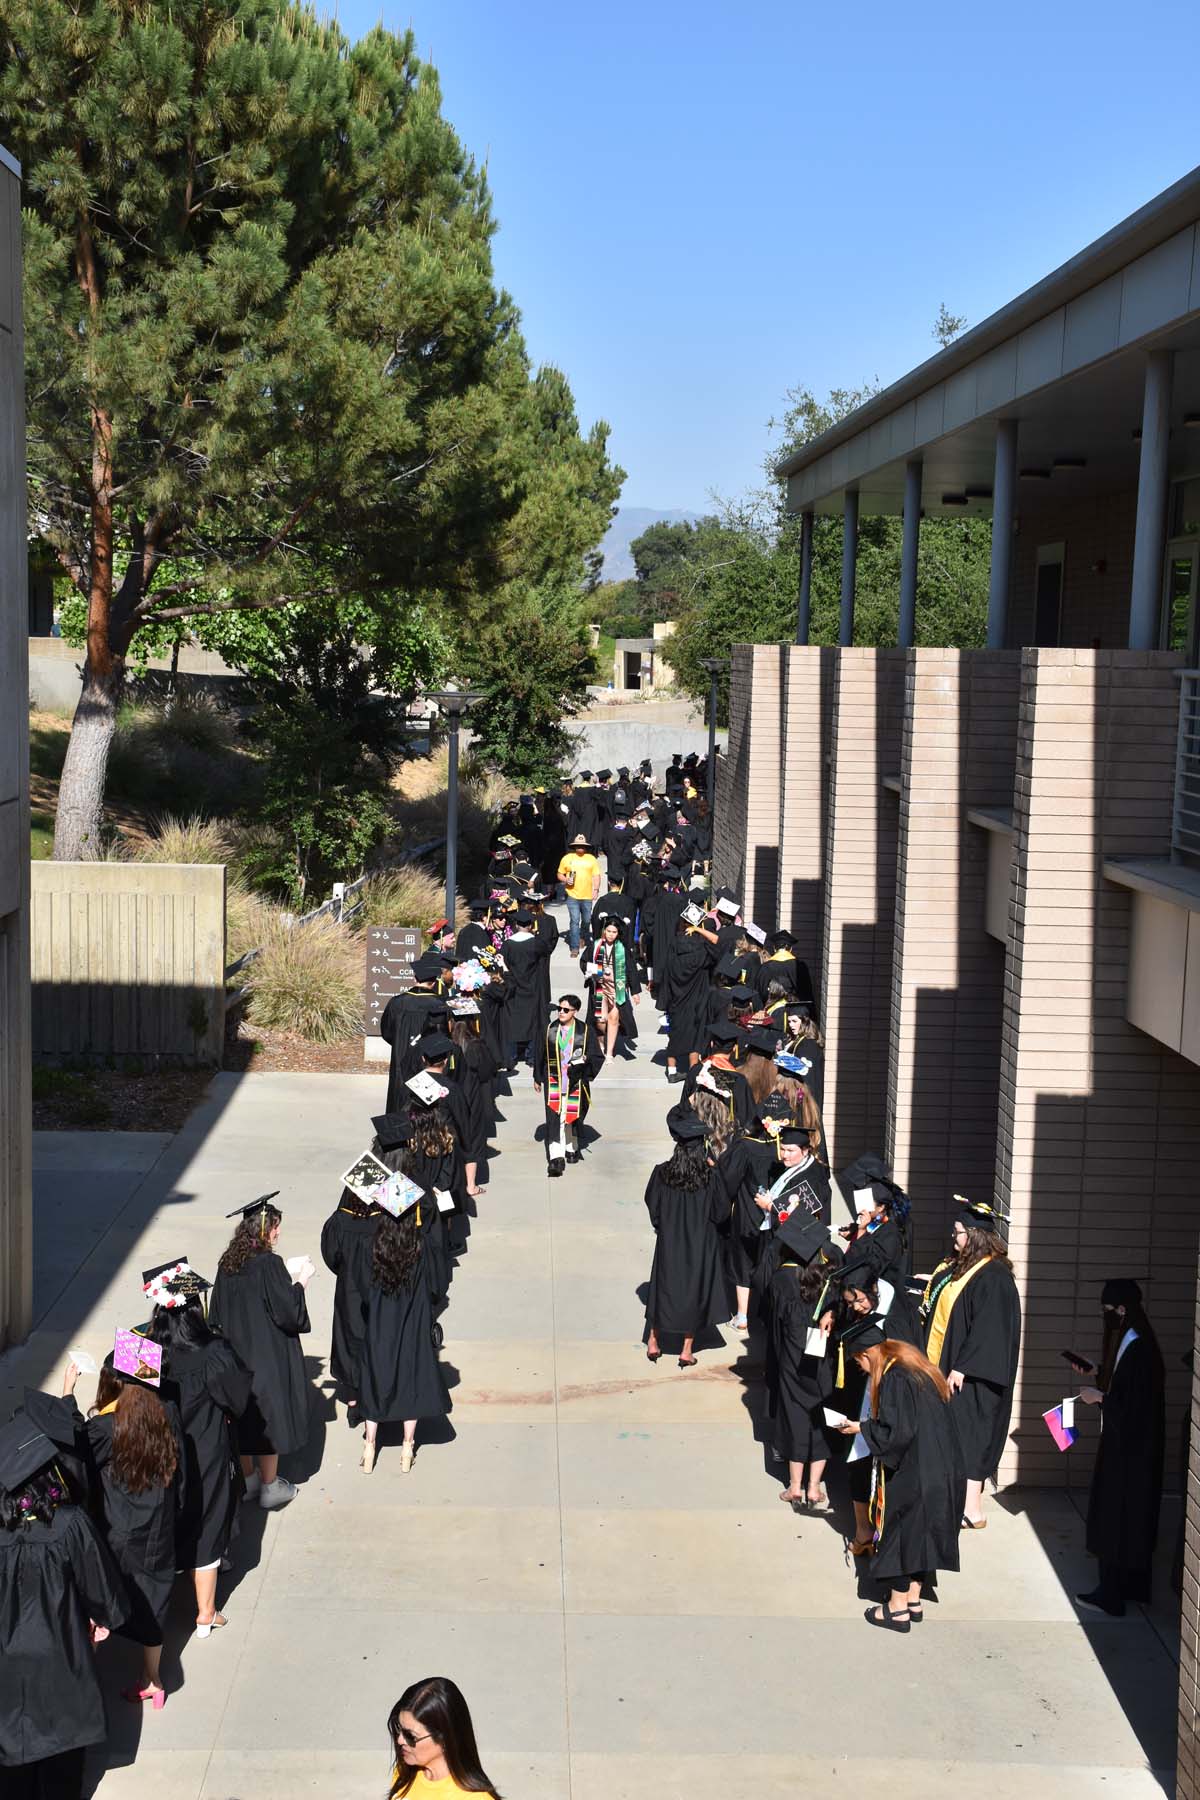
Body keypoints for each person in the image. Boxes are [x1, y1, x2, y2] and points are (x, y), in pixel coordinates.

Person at [0, 1404, 128, 1800]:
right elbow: (102, 1591)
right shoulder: (70, 1525)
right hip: (61, 1650)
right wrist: (104, 1619)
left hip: (5, 1660)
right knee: (61, 1753)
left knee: (10, 1756)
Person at [141, 1260, 253, 1638]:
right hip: (204, 1451)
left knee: (168, 1519)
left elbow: (122, 1395)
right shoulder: (215, 1351)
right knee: (206, 1524)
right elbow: (238, 1400)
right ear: (195, 1311)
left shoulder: (141, 1348)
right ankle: (205, 1613)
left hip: (157, 1450)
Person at [836, 1320, 966, 1632]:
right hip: (943, 1469)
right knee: (922, 1535)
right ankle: (913, 1600)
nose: (863, 1371)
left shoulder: (894, 1378)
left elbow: (896, 1433)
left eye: (859, 1363)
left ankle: (896, 1610)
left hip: (917, 1472)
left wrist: (860, 1428)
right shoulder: (917, 1366)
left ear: (868, 1354)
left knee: (899, 1532)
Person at [74, 1356, 184, 1707]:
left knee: (101, 1597)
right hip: (158, 1526)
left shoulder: (107, 1428)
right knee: (154, 1601)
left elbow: (75, 1455)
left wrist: (67, 1397)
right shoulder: (166, 1413)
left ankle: (85, 1676)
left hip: (117, 1528)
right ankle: (153, 1680)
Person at [208, 1194, 315, 1511]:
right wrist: (300, 1283)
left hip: (237, 1358)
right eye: (276, 1228)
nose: (279, 1233)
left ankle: (250, 1479)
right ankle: (270, 1486)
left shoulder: (227, 1264)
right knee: (269, 1423)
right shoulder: (269, 1264)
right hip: (267, 1357)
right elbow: (288, 1313)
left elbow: (215, 1316)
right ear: (264, 1230)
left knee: (244, 1420)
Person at [921, 1197, 1021, 1530]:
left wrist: (963, 1366)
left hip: (977, 1378)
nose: (955, 1238)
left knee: (972, 1440)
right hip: (957, 1372)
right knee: (958, 1438)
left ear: (976, 1235)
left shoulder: (994, 1277)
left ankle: (973, 1511)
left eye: (959, 1233)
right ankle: (961, 1506)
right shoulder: (970, 1268)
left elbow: (990, 1330)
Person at [1075, 1278, 1166, 1617]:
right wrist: (1098, 1373)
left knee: (1115, 1517)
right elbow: (1126, 1387)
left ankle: (1111, 1595)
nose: (1106, 1316)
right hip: (1135, 1449)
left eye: (1108, 1310)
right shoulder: (1136, 1340)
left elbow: (1132, 1406)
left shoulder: (1138, 1345)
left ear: (1123, 1309)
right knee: (1133, 1519)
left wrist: (1099, 1398)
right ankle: (1131, 1587)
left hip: (1128, 1452)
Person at [359, 1177, 452, 1474]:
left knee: (375, 1381)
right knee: (410, 1381)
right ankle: (407, 1448)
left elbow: (360, 1287)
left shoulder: (371, 1246)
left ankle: (369, 1446)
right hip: (412, 1319)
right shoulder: (421, 1246)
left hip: (379, 1323)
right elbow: (437, 1287)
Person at [763, 1214, 844, 1510]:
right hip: (824, 1358)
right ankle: (815, 1488)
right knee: (821, 1416)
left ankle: (794, 1486)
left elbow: (773, 1323)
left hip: (791, 1357)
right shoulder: (831, 1275)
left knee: (793, 1416)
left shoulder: (782, 1278)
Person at [643, 1107, 728, 1368]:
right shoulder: (710, 1176)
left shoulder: (662, 1173)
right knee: (695, 1291)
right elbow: (721, 1212)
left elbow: (653, 1206)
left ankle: (654, 1341)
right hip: (701, 1243)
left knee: (663, 1289)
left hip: (670, 1242)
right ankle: (686, 1350)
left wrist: (663, 1227)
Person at [320, 1186, 383, 1416]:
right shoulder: (384, 1222)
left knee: (349, 1339)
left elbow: (330, 1255)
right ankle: (375, 1392)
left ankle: (353, 1399)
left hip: (348, 1289)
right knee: (374, 1338)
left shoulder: (339, 1220)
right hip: (377, 1290)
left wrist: (345, 1270)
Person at [387, 1675, 502, 1797]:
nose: (400, 1740)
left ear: (445, 1740)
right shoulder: (404, 1773)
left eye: (410, 1736)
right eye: (399, 1728)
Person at [532, 993, 601, 1176]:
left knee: (570, 1115)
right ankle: (556, 1158)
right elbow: (540, 1053)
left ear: (575, 1011)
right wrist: (537, 1077)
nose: (561, 1012)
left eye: (565, 1010)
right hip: (554, 1080)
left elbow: (596, 1056)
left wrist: (586, 1063)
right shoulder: (549, 1030)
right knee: (556, 1118)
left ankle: (572, 1147)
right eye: (559, 1009)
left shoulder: (585, 1031)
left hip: (575, 1082)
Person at [583, 917, 638, 1059]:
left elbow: (631, 969)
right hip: (600, 987)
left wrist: (635, 991)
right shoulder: (594, 946)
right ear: (604, 930)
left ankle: (609, 1053)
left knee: (613, 1019)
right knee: (601, 1021)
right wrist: (595, 971)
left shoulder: (622, 949)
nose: (611, 934)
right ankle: (601, 1042)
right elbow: (584, 962)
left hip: (616, 988)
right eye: (608, 931)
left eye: (614, 932)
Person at [557, 834, 601, 954]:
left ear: (585, 847)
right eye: (578, 846)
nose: (580, 848)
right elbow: (559, 873)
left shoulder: (591, 859)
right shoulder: (567, 858)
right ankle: (574, 947)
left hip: (587, 896)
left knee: (586, 920)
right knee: (574, 920)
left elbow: (596, 875)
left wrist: (596, 889)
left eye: (582, 846)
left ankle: (582, 937)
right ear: (574, 846)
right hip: (572, 895)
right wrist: (566, 879)